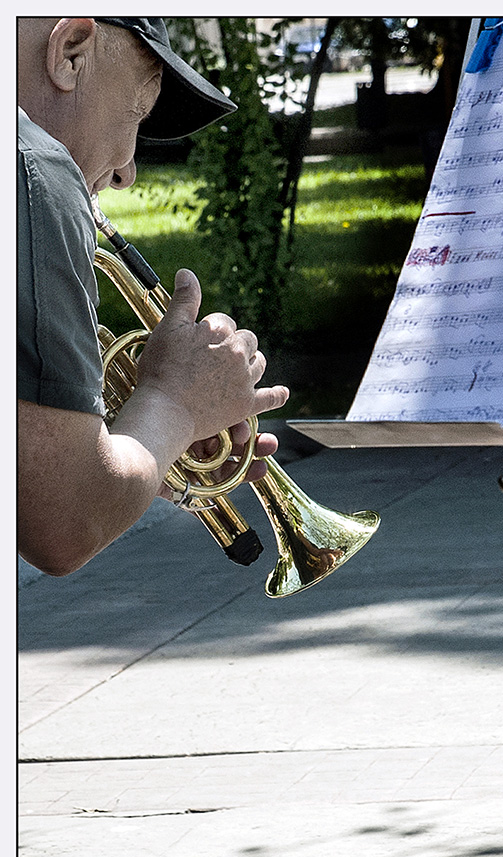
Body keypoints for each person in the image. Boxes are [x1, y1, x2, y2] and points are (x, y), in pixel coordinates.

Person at [17, 17, 290, 577]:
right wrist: (173, 404)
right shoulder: (32, 170)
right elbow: (65, 524)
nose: (126, 170)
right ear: (71, 52)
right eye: (137, 114)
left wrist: (145, 442)